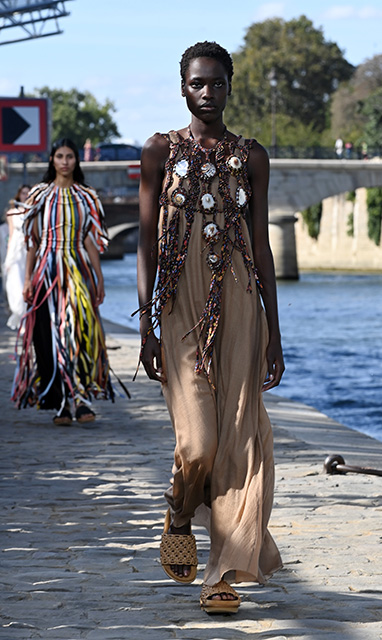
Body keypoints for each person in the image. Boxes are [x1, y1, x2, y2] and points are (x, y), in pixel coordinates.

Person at [136, 41, 285, 613]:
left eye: (218, 83)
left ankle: (221, 572)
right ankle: (179, 507)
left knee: (240, 439)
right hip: (178, 306)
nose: (208, 92)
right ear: (183, 88)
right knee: (198, 442)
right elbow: (146, 242)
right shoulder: (158, 151)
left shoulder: (251, 156)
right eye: (198, 83)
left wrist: (274, 330)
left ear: (229, 87)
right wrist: (149, 324)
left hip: (242, 302)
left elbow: (263, 246)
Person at [12, 138, 114, 425]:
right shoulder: (39, 195)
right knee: (50, 336)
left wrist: (99, 279)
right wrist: (28, 279)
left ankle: (81, 399)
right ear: (52, 160)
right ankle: (59, 403)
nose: (65, 161)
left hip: (78, 273)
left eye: (70, 156)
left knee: (79, 333)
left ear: (76, 161)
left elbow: (91, 241)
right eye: (60, 156)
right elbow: (32, 242)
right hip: (46, 272)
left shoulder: (87, 197)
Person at [4, 184, 31, 330]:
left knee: (27, 287)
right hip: (16, 252)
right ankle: (20, 316)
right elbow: (12, 235)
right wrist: (8, 258)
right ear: (19, 195)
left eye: (28, 193)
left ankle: (27, 319)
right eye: (23, 193)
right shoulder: (12, 213)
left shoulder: (33, 211)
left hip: (28, 253)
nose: (25, 196)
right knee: (16, 286)